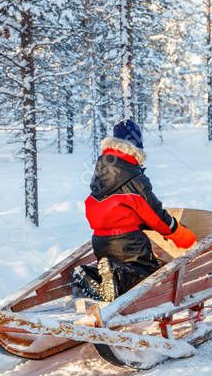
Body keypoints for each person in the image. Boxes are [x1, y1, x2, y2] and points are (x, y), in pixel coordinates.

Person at [74, 119, 196, 302]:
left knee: (118, 273)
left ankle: (88, 274)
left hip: (100, 242)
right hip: (129, 244)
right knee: (147, 276)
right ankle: (116, 277)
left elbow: (114, 208)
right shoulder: (133, 176)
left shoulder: (102, 171)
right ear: (136, 147)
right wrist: (178, 233)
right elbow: (155, 215)